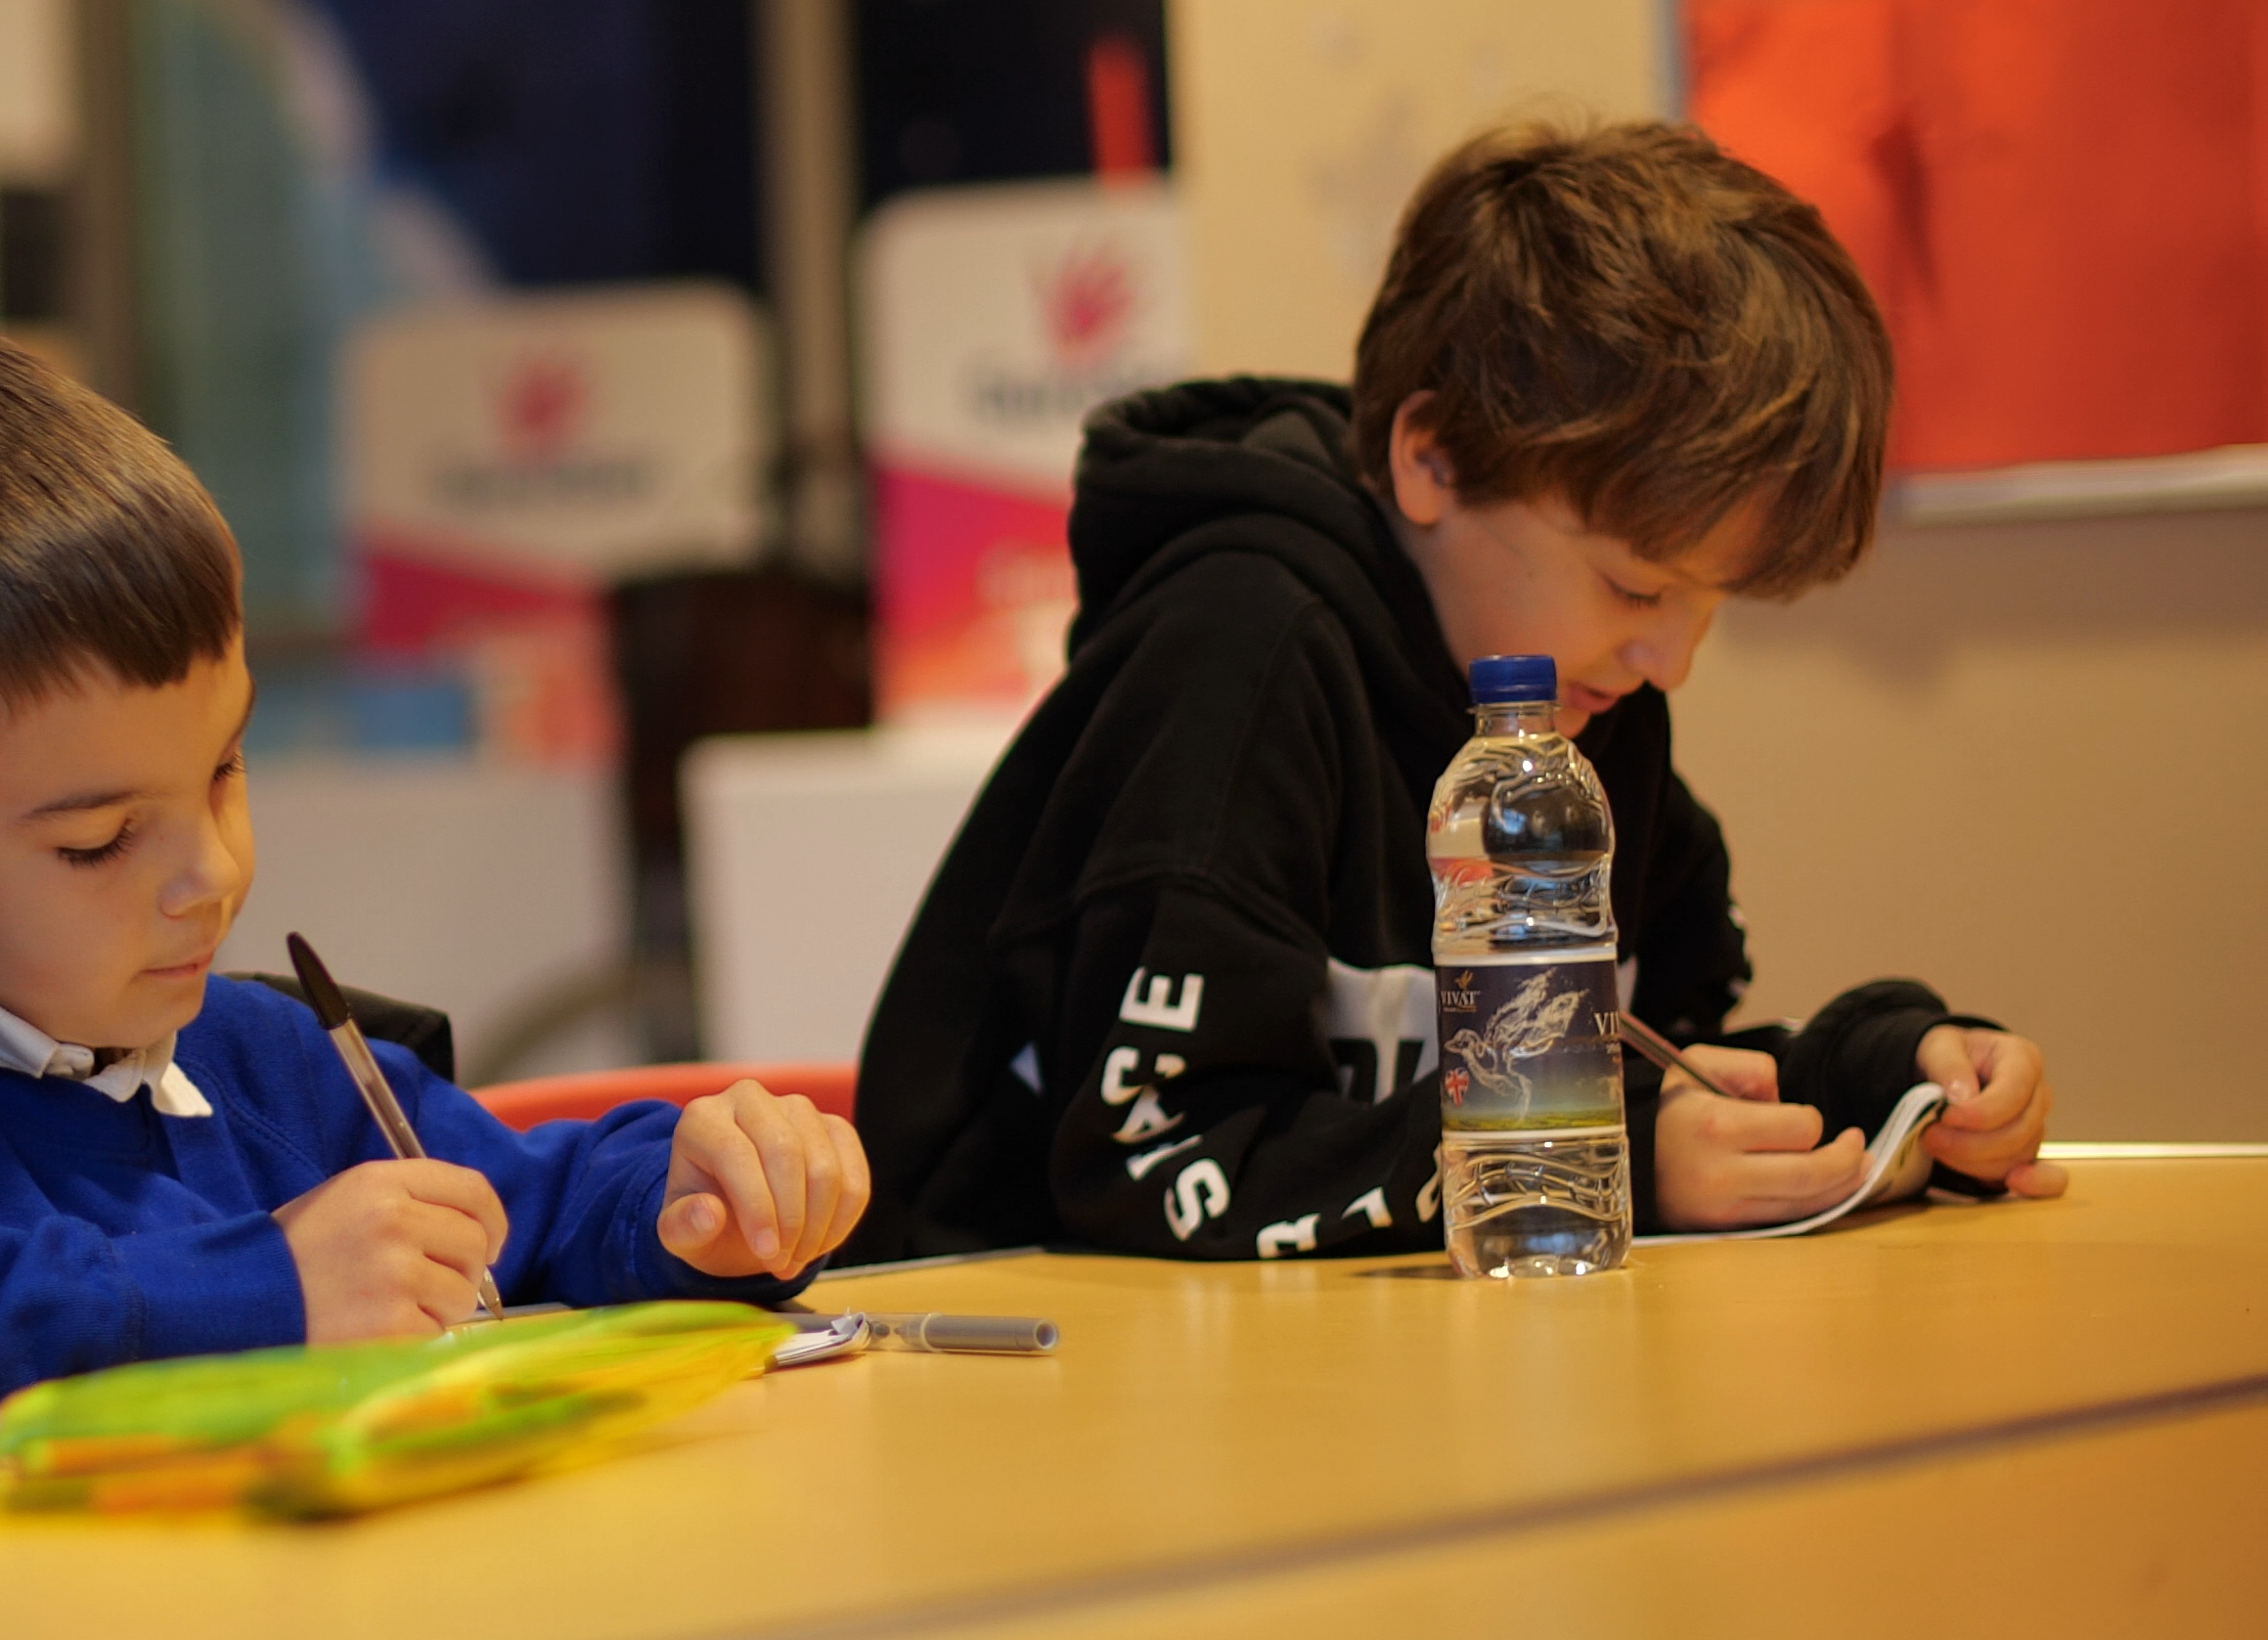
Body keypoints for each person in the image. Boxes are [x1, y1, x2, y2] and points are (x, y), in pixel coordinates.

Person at [0, 323, 870, 1422]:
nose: (208, 876)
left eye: (225, 770)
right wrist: (240, 1292)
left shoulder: (264, 1064)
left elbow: (530, 1210)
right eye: (96, 840)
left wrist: (693, 1204)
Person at [845, 120, 2066, 1264]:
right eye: (1637, 589)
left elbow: (1657, 1080)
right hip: (1017, 1365)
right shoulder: (1241, 659)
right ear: (1431, 458)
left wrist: (1879, 1088)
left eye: (1711, 605)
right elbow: (1150, 1168)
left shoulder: (1585, 713)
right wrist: (1581, 1162)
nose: (1672, 662)